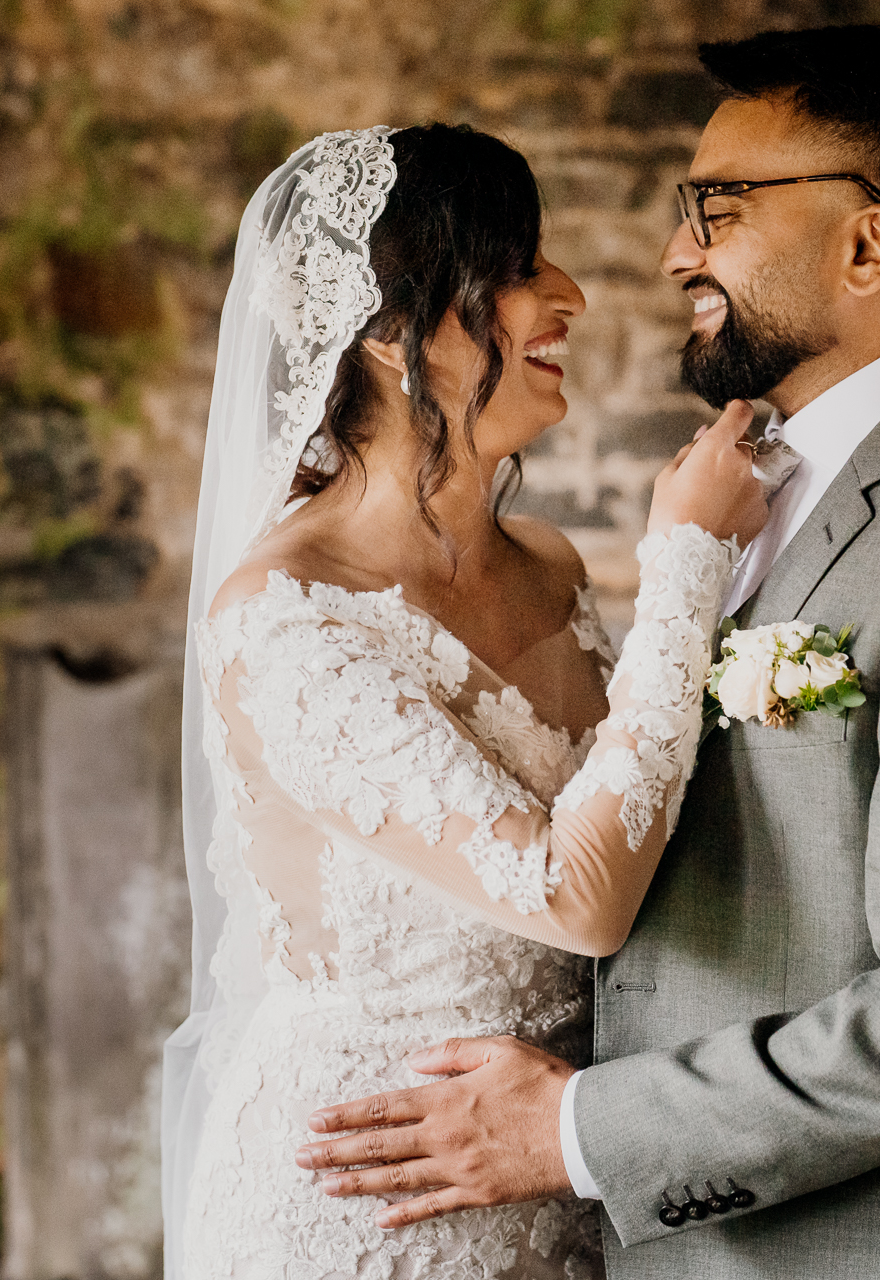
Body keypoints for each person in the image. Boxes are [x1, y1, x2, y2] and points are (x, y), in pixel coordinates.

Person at [299, 26, 880, 1280]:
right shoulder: (766, 479)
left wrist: (579, 1130)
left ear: (870, 243)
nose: (673, 254)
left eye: (719, 209)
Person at [161, 122, 766, 1278]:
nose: (568, 294)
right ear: (395, 332)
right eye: (518, 267)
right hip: (365, 1207)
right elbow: (572, 897)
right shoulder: (286, 617)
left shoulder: (548, 563)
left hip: (564, 1180)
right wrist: (688, 563)